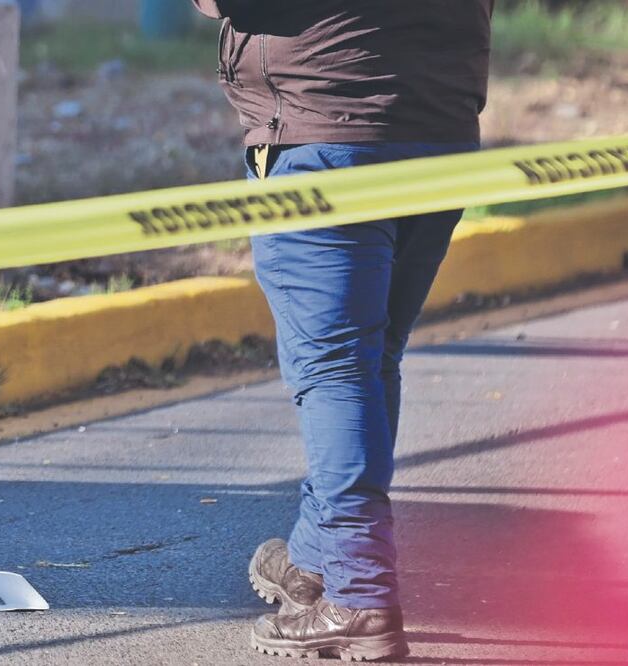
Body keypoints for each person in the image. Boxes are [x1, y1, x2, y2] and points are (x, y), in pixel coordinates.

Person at [191, 1, 493, 660]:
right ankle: (318, 557)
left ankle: (357, 596)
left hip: (326, 125)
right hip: (439, 124)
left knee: (336, 367)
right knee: (370, 356)